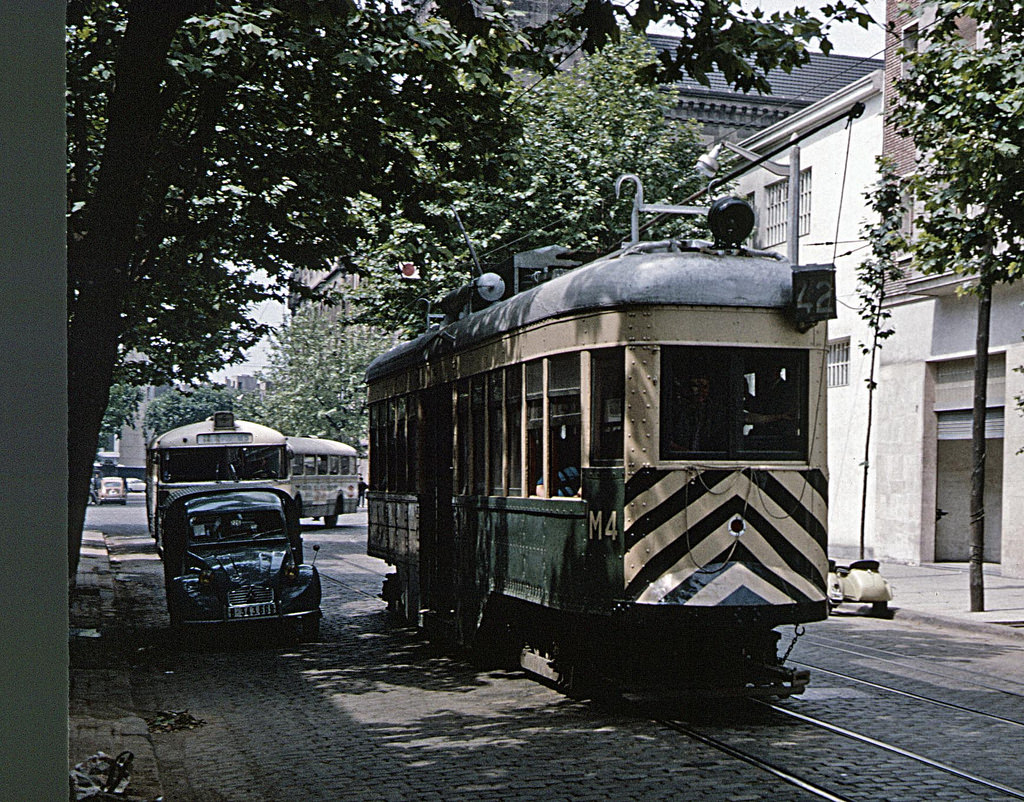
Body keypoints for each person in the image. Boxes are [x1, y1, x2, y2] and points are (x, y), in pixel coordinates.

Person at [667, 374, 727, 454]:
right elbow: (667, 441)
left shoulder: (715, 413)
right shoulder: (677, 411)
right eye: (696, 386)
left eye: (704, 387)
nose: (700, 391)